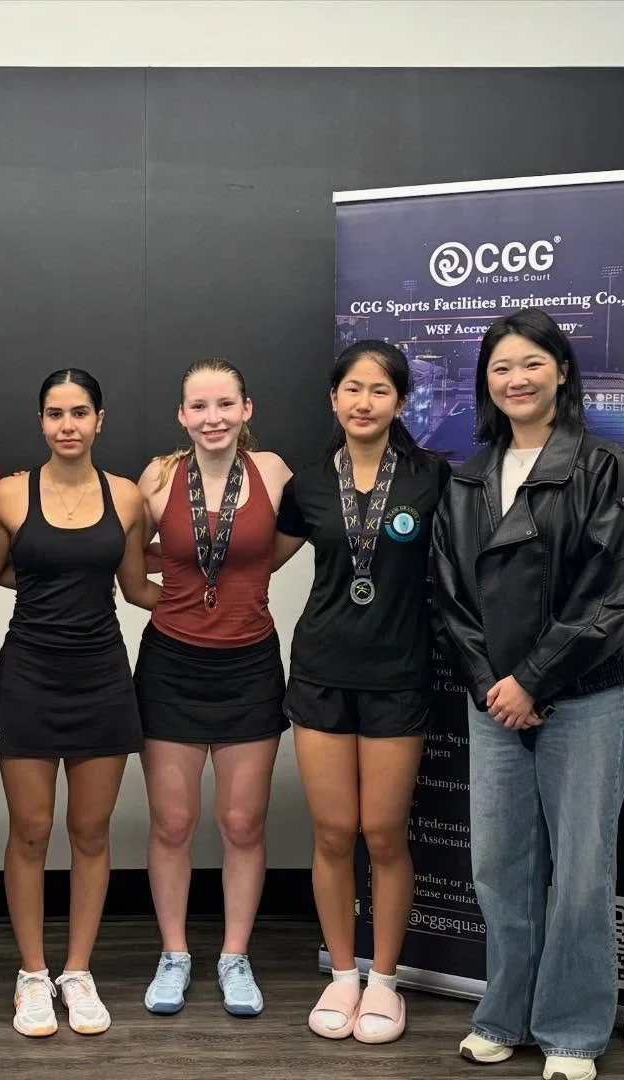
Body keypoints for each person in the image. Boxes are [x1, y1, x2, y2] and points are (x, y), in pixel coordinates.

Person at [432, 309, 624, 1080]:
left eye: (531, 363)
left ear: (560, 370)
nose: (516, 379)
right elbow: (450, 596)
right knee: (500, 866)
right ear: (486, 383)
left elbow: (614, 599)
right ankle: (505, 1014)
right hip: (493, 702)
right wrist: (495, 684)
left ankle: (573, 1031)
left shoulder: (603, 468)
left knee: (583, 872)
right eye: (500, 367)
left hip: (582, 697)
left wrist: (533, 680)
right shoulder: (466, 477)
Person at [272, 340, 451, 1045]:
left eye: (379, 390)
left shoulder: (433, 478)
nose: (364, 402)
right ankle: (342, 975)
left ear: (399, 403)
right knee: (332, 833)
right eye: (352, 388)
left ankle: (384, 980)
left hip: (398, 675)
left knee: (382, 833)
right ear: (333, 399)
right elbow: (255, 556)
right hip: (319, 671)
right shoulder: (309, 483)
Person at [0, 368, 159, 1039]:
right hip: (26, 675)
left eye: (79, 413)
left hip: (102, 680)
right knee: (29, 831)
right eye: (55, 414)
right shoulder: (11, 495)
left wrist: (220, 589)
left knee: (89, 833)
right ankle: (32, 974)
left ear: (100, 420)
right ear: (41, 422)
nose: (67, 426)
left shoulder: (128, 496)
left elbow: (139, 588)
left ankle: (76, 971)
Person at [133, 358, 292, 1018]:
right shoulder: (159, 476)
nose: (213, 418)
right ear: (182, 416)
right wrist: (178, 582)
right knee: (173, 823)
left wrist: (238, 586)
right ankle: (174, 953)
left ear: (246, 409)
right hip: (171, 665)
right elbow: (131, 551)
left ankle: (233, 955)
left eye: (225, 404)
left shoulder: (275, 472)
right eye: (199, 406)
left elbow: (278, 545)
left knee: (241, 822)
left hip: (249, 665)